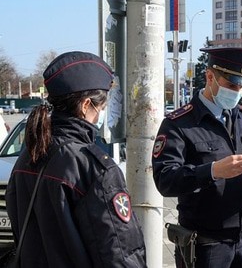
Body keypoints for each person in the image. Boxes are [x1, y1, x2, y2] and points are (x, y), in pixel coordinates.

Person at [6, 51, 147, 268]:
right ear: (85, 105)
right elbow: (120, 253)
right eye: (100, 107)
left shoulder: (28, 155)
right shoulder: (92, 166)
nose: (101, 115)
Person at [152, 47, 242, 268]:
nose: (237, 92)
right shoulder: (179, 123)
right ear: (210, 77)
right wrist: (212, 171)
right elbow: (165, 179)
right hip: (206, 244)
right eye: (231, 85)